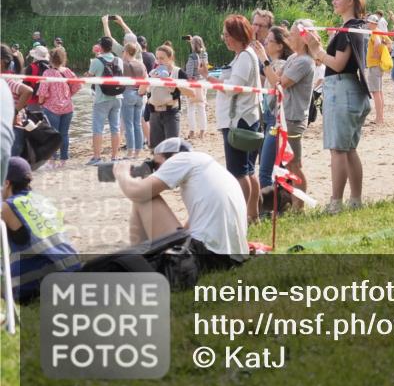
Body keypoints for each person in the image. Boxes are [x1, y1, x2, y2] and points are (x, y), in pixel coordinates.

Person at [113, 138, 248, 270]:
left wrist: (122, 174)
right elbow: (190, 227)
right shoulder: (205, 165)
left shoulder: (181, 159)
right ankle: (143, 259)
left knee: (144, 198)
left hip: (203, 257)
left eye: (157, 165)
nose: (156, 171)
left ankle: (138, 263)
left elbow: (137, 192)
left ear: (172, 157)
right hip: (231, 258)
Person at [303, 0, 372, 213]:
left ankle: (336, 203)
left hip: (342, 89)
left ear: (350, 1)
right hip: (352, 90)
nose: (333, 1)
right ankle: (355, 200)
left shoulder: (348, 29)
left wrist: (317, 50)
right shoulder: (356, 27)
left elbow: (338, 64)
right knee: (349, 149)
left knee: (338, 149)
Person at [200, 15, 262, 220]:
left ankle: (241, 216)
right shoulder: (243, 55)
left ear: (238, 35)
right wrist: (208, 77)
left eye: (227, 35)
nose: (225, 39)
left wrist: (211, 81)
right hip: (244, 119)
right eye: (224, 35)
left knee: (238, 172)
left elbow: (233, 88)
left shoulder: (244, 56)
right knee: (248, 170)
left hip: (239, 121)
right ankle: (252, 215)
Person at [2, 157, 81, 302]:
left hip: (41, 280)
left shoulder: (8, 206)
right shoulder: (42, 200)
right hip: (73, 269)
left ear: (6, 183)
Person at [262, 19, 316, 210]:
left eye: (292, 34)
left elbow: (279, 83)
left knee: (294, 164)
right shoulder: (294, 58)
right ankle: (291, 202)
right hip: (283, 116)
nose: (289, 37)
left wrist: (264, 61)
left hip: (293, 118)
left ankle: (298, 206)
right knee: (287, 163)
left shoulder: (304, 61)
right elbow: (276, 79)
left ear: (303, 37)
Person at [254, 25, 292, 191]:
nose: (265, 43)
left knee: (265, 171)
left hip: (277, 119)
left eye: (269, 41)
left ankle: (270, 203)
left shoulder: (283, 64)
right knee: (273, 167)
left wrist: (263, 58)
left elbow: (276, 82)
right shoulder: (271, 64)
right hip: (269, 117)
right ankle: (282, 200)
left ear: (280, 46)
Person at [140, 44, 195, 152]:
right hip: (154, 114)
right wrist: (148, 80)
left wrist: (174, 84)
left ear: (170, 58)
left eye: (162, 58)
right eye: (157, 58)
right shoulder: (153, 72)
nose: (158, 61)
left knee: (172, 149)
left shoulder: (178, 72)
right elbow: (140, 91)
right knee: (156, 150)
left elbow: (192, 93)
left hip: (171, 114)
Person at [36, 46, 80, 168]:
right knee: (64, 134)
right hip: (67, 107)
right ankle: (64, 160)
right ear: (63, 59)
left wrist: (41, 102)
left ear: (50, 59)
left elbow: (42, 93)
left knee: (52, 135)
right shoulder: (67, 71)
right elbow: (78, 85)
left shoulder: (47, 73)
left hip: (51, 108)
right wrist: (69, 95)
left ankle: (52, 160)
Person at [87, 36, 124, 165]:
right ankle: (114, 157)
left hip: (102, 98)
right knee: (115, 128)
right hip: (117, 97)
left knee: (98, 128)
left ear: (101, 47)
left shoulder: (96, 61)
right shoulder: (119, 60)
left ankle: (97, 157)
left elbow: (90, 77)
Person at [183, 35, 209, 140]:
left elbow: (189, 73)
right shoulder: (205, 54)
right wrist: (192, 40)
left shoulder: (192, 57)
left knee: (191, 108)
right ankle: (202, 131)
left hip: (193, 83)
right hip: (203, 82)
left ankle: (192, 131)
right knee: (201, 107)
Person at [364, 14, 387, 126]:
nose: (367, 24)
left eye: (368, 22)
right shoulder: (380, 32)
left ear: (373, 23)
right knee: (379, 92)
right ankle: (380, 117)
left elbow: (377, 42)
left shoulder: (375, 32)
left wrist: (376, 53)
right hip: (378, 65)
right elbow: (389, 43)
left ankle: (379, 118)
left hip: (374, 65)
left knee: (376, 92)